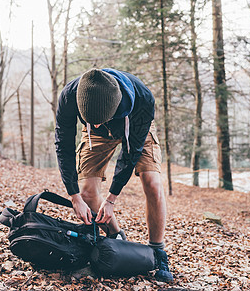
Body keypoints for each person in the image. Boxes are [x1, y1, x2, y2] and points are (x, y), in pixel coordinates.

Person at [54, 68, 173, 282]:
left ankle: (158, 251)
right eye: (92, 119)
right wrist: (74, 196)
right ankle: (116, 238)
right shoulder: (69, 96)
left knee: (152, 182)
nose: (98, 123)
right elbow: (63, 145)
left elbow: (131, 153)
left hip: (135, 127)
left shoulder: (142, 99)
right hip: (95, 137)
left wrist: (112, 199)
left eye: (100, 119)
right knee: (88, 193)